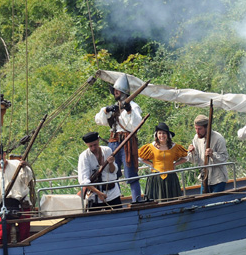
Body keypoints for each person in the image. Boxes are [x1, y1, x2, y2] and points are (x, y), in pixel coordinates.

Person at [94, 75, 146, 203]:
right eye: (115, 91)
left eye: (118, 91)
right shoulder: (114, 107)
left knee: (131, 173)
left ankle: (136, 201)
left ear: (123, 92)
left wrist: (129, 111)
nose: (115, 93)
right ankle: (115, 200)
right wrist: (106, 110)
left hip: (127, 141)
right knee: (112, 174)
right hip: (113, 141)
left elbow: (135, 125)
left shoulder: (133, 106)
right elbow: (99, 120)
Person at [0, 145, 34, 243]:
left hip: (22, 204)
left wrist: (24, 168)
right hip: (6, 205)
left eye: (0, 160)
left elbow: (27, 179)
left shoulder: (17, 164)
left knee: (25, 235)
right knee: (2, 235)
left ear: (4, 155)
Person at [137, 122, 188, 201]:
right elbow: (140, 157)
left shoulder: (175, 147)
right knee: (156, 200)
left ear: (167, 135)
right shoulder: (151, 147)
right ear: (156, 135)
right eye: (159, 133)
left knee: (172, 200)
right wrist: (151, 164)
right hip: (156, 178)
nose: (162, 135)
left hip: (170, 177)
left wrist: (175, 164)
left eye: (164, 133)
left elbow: (186, 157)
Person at [77, 131, 122, 210]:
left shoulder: (107, 150)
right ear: (86, 145)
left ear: (98, 140)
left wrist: (111, 163)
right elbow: (84, 180)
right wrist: (99, 193)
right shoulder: (84, 157)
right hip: (94, 196)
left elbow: (113, 171)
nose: (93, 148)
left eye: (95, 145)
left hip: (113, 193)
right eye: (91, 146)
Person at [187, 114, 230, 193]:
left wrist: (212, 155)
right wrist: (192, 152)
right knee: (203, 203)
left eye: (199, 129)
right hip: (205, 178)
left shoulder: (218, 138)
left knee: (215, 202)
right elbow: (194, 161)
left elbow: (224, 159)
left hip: (218, 179)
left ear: (207, 127)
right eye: (196, 129)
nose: (197, 131)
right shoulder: (196, 138)